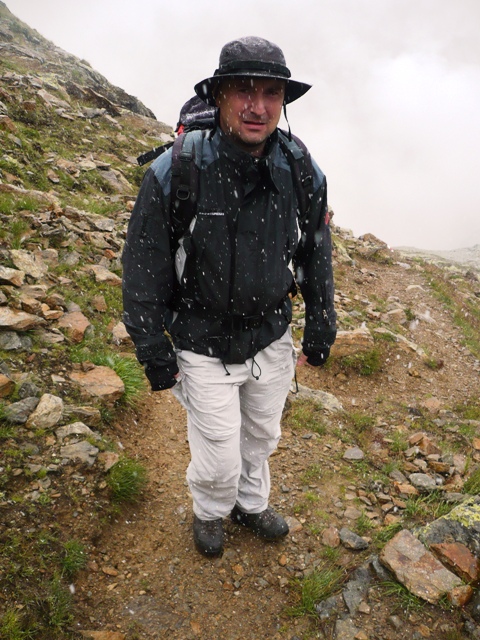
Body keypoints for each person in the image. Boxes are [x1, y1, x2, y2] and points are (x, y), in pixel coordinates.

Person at [122, 36, 336, 557]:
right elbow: (144, 267)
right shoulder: (176, 171)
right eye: (243, 90)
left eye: (270, 92)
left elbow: (314, 247)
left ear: (284, 100)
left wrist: (321, 322)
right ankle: (211, 510)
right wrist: (153, 351)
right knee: (218, 450)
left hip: (270, 335)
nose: (257, 106)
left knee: (261, 436)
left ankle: (250, 503)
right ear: (218, 96)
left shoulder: (302, 170)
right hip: (200, 338)